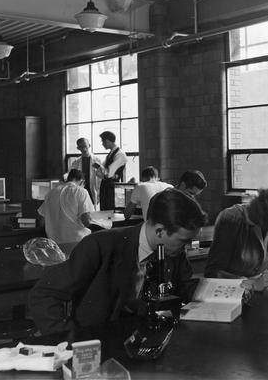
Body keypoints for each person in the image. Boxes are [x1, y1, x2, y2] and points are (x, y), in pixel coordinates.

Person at [29, 188, 207, 335]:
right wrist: (68, 339)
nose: (186, 246)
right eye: (183, 241)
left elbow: (184, 289)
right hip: (98, 342)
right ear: (160, 231)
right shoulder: (101, 246)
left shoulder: (172, 250)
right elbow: (44, 294)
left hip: (145, 337)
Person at [37, 169, 95, 244]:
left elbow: (41, 220)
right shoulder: (81, 191)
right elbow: (86, 220)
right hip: (77, 242)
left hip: (54, 244)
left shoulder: (51, 193)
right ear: (82, 181)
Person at [95, 131, 127, 210]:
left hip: (112, 187)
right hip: (105, 186)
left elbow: (108, 173)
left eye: (103, 141)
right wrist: (102, 170)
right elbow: (99, 173)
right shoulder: (110, 155)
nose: (102, 144)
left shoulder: (120, 154)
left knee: (110, 211)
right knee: (103, 210)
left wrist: (101, 169)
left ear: (108, 141)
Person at [70, 137, 102, 207]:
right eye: (81, 147)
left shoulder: (96, 161)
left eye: (85, 146)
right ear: (78, 148)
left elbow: (101, 177)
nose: (83, 149)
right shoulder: (76, 162)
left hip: (92, 190)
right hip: (80, 190)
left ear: (89, 145)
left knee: (92, 212)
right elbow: (72, 178)